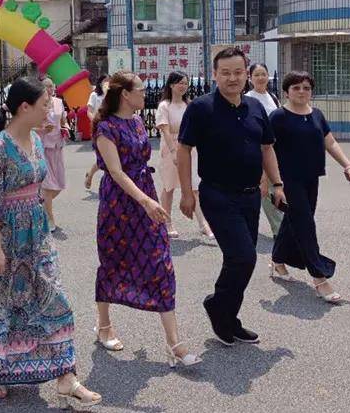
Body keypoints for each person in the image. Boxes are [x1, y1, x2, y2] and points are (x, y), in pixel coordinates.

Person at [0, 78, 101, 406]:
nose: (49, 109)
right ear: (24, 107)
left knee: (55, 301)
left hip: (36, 235)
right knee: (1, 307)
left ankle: (67, 377)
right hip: (3, 238)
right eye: (44, 104)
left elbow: (38, 189)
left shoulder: (36, 140)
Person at [177, 47, 286, 346]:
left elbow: (267, 147)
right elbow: (183, 150)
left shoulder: (255, 108)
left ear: (246, 73)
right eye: (225, 73)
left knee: (242, 261)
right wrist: (187, 193)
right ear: (214, 75)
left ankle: (228, 316)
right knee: (243, 256)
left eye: (238, 72)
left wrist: (277, 183)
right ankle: (217, 305)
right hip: (217, 195)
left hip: (251, 196)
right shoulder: (201, 108)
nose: (232, 78)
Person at [93, 71, 201, 369]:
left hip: (145, 195)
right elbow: (115, 172)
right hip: (119, 204)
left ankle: (174, 343)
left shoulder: (139, 120)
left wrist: (148, 198)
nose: (145, 94)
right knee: (112, 262)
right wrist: (145, 200)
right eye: (140, 90)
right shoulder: (105, 126)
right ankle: (104, 325)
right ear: (125, 94)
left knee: (160, 262)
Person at [269, 71, 350, 303]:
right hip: (287, 180)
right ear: (286, 91)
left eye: (306, 88)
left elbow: (330, 142)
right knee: (306, 225)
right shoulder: (278, 117)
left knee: (294, 221)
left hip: (311, 178)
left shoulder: (317, 115)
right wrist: (267, 182)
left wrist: (348, 166)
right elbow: (265, 149)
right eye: (296, 87)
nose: (301, 92)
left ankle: (278, 260)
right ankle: (320, 277)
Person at [154, 71, 213, 239]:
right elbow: (164, 130)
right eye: (179, 83)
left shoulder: (190, 105)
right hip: (171, 149)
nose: (183, 86)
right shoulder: (164, 105)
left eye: (185, 83)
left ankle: (203, 224)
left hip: (190, 150)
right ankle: (167, 222)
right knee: (169, 187)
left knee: (195, 187)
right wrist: (173, 152)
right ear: (171, 85)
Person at [245, 63, 283, 238]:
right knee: (265, 190)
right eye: (257, 74)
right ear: (250, 78)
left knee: (275, 188)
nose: (261, 78)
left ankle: (281, 227)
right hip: (257, 150)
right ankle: (279, 229)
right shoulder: (247, 99)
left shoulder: (273, 97)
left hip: (275, 149)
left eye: (263, 74)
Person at [39, 77, 70, 233]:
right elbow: (31, 125)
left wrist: (66, 127)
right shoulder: (37, 102)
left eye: (52, 86)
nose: (50, 89)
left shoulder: (58, 102)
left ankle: (40, 203)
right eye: (46, 87)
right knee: (48, 184)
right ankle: (49, 217)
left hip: (57, 145)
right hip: (42, 145)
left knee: (58, 184)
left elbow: (64, 120)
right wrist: (43, 129)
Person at [84, 74, 109, 190]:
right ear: (100, 82)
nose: (107, 83)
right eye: (105, 81)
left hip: (111, 128)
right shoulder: (94, 95)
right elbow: (89, 111)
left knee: (108, 156)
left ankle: (92, 175)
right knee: (103, 156)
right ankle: (90, 175)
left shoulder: (111, 96)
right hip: (99, 128)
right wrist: (94, 121)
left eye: (109, 81)